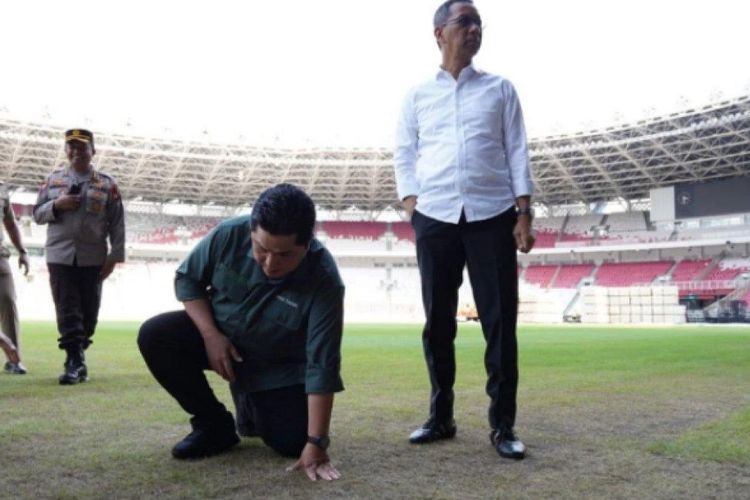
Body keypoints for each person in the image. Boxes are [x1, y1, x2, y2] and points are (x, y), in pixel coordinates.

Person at [393, 0, 535, 460]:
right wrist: (412, 204)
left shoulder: (500, 89)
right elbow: (404, 153)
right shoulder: (416, 95)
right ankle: (441, 417)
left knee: (500, 326)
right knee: (437, 324)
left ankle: (503, 425)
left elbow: (517, 149)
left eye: (478, 23)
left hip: (492, 216)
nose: (474, 29)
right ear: (439, 33)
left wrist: (524, 210)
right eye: (464, 22)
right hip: (434, 217)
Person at [138, 184, 344, 482]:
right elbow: (188, 280)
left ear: (308, 243)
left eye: (285, 255)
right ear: (251, 230)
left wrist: (316, 443)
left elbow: (322, 363)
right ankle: (213, 426)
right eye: (261, 249)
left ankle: (252, 402)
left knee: (290, 442)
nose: (270, 264)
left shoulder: (325, 281)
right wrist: (210, 335)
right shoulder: (229, 233)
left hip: (275, 367)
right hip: (219, 338)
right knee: (156, 334)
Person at [33, 129, 125, 385]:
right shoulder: (52, 181)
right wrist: (56, 205)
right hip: (60, 256)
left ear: (92, 151)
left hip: (93, 258)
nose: (76, 152)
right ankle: (74, 360)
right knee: (67, 309)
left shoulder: (107, 184)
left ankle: (78, 354)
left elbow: (117, 223)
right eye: (71, 147)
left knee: (89, 314)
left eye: (82, 147)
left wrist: (114, 256)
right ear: (66, 151)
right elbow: (37, 215)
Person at [0, 183, 30, 374]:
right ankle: (5, 342)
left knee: (9, 301)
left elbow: (10, 223)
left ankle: (14, 360)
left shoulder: (1, 190)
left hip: (0, 257)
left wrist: (22, 251)